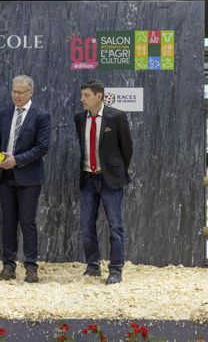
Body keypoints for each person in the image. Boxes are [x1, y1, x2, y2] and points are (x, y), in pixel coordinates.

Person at [0, 75, 50, 283]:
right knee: (8, 223)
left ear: (30, 92)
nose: (16, 95)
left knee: (27, 222)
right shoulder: (4, 113)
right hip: (5, 176)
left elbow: (42, 148)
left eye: (20, 92)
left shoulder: (41, 115)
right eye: (13, 91)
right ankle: (8, 267)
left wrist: (16, 160)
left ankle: (31, 267)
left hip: (29, 178)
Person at [75, 80, 133, 285]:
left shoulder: (116, 117)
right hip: (88, 178)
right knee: (86, 226)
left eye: (86, 95)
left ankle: (116, 270)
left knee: (115, 226)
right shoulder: (79, 118)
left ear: (99, 96)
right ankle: (92, 267)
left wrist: (116, 172)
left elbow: (127, 149)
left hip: (110, 180)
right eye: (82, 95)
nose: (82, 99)